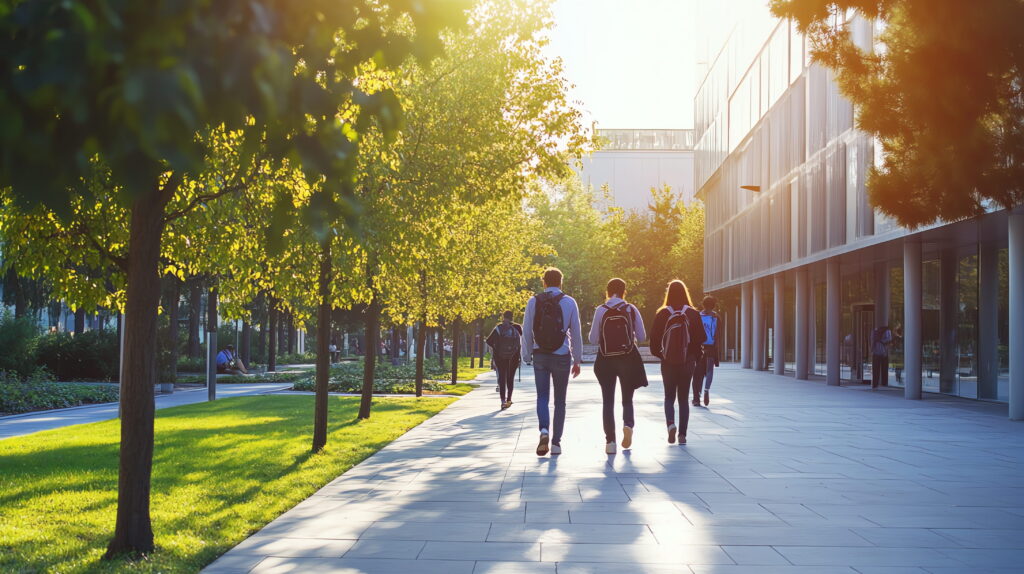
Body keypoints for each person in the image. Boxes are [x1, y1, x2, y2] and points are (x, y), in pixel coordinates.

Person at [522, 267, 583, 457]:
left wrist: (526, 355)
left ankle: (544, 431)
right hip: (562, 355)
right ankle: (556, 444)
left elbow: (526, 331)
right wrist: (577, 359)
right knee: (560, 401)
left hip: (540, 354)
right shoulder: (569, 302)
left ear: (544, 282)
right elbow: (576, 333)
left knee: (542, 396)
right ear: (561, 282)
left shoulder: (533, 301)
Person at [589, 278, 646, 454]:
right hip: (627, 359)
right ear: (624, 291)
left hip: (605, 359)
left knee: (608, 401)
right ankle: (628, 425)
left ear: (607, 291)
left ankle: (610, 442)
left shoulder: (601, 310)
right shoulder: (631, 309)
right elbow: (642, 336)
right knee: (627, 399)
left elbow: (592, 339)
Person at [648, 280, 704, 445]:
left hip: (668, 362)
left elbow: (654, 341)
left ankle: (670, 424)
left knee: (668, 396)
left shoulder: (663, 314)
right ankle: (682, 435)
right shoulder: (693, 314)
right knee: (683, 398)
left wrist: (663, 355)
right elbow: (702, 338)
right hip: (688, 362)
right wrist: (692, 355)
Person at [486, 310, 523, 410]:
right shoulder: (518, 327)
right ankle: (509, 399)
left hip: (500, 357)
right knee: (510, 378)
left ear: (503, 317)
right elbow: (522, 341)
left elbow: (488, 341)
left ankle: (502, 401)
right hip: (514, 357)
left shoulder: (498, 327)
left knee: (502, 378)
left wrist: (497, 348)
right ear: (512, 317)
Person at [692, 295, 720, 406]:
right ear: (713, 305)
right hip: (711, 348)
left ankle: (696, 398)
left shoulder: (698, 316)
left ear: (703, 304)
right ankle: (706, 390)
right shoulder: (717, 317)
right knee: (709, 372)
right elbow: (718, 335)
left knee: (697, 374)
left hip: (700, 348)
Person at [871, 323, 893, 389]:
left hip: (875, 352)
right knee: (884, 368)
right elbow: (889, 340)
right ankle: (884, 382)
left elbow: (871, 340)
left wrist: (872, 349)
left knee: (875, 369)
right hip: (884, 352)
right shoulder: (888, 331)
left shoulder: (874, 331)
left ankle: (875, 384)